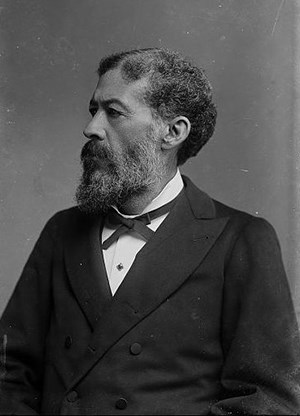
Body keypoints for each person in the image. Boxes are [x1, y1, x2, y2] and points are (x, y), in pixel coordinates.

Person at [0, 48, 299, 415]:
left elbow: (269, 398)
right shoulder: (61, 230)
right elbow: (8, 370)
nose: (91, 128)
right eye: (94, 110)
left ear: (173, 132)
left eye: (113, 112)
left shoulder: (241, 239)